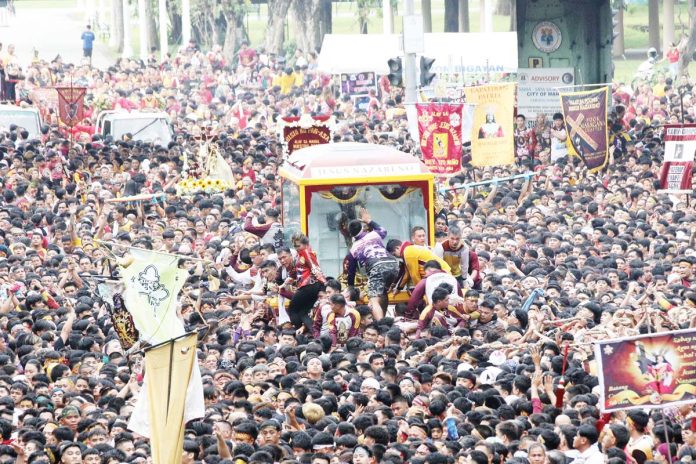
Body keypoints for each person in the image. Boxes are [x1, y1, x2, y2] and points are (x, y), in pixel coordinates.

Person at [346, 208, 399, 320]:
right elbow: (383, 230)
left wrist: (350, 286)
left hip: (376, 267)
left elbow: (351, 272)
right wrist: (369, 220)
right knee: (382, 292)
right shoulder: (374, 234)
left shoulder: (353, 249)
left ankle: (382, 326)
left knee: (374, 300)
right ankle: (383, 319)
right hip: (393, 264)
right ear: (362, 227)